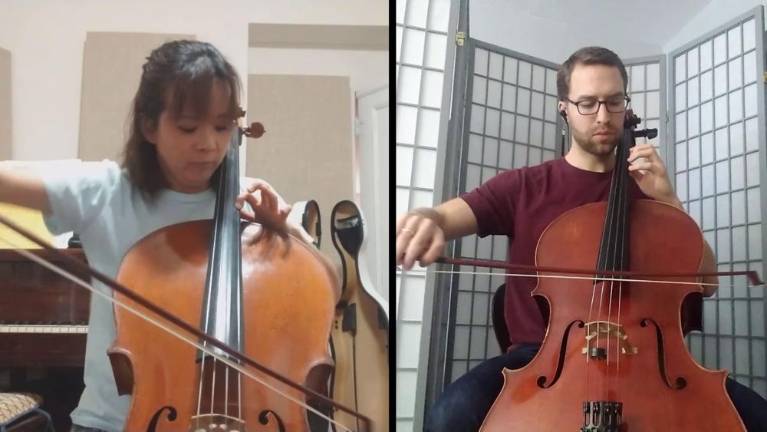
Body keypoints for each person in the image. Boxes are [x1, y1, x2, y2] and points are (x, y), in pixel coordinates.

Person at [395, 46, 767, 431]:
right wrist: (427, 220)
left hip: (646, 359)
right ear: (564, 108)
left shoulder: (651, 192)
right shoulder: (524, 187)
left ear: (626, 103)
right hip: (541, 357)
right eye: (587, 103)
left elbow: (706, 283)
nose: (603, 116)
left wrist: (670, 202)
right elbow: (443, 216)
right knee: (448, 416)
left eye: (614, 101)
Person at [0, 40, 319, 432]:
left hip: (235, 418)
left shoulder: (246, 201)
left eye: (222, 127)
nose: (209, 144)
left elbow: (327, 287)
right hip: (114, 423)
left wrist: (285, 230)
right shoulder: (106, 192)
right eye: (188, 127)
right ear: (150, 125)